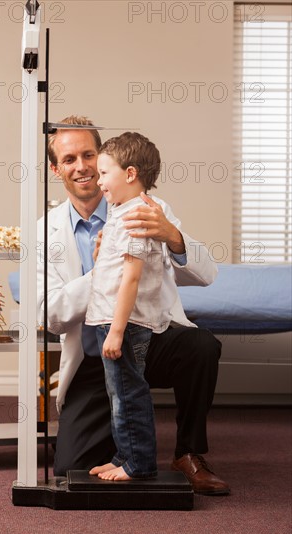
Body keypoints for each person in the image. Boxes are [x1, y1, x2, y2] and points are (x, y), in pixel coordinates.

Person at [38, 115, 230, 495]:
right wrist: (103, 272)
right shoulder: (46, 230)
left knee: (201, 346)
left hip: (149, 338)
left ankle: (188, 452)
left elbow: (207, 274)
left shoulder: (149, 209)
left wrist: (172, 236)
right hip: (94, 355)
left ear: (106, 158)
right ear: (55, 168)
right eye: (70, 158)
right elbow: (51, 315)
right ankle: (123, 444)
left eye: (89, 154)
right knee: (72, 469)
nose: (82, 167)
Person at [85, 132, 164, 481]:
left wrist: (116, 331)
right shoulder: (122, 211)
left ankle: (138, 465)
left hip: (125, 324)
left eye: (104, 173)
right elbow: (115, 268)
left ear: (130, 174)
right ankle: (123, 458)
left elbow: (131, 279)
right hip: (113, 320)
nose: (98, 181)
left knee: (129, 395)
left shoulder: (136, 216)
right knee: (118, 395)